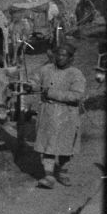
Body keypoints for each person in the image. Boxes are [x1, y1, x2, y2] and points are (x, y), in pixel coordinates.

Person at [34, 40, 88, 188]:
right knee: (48, 145)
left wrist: (51, 93)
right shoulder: (46, 69)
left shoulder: (76, 74)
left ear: (70, 58)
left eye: (64, 55)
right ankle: (49, 176)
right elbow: (35, 81)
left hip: (67, 115)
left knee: (65, 146)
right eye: (58, 54)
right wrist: (29, 85)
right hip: (48, 114)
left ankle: (63, 172)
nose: (60, 58)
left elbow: (77, 96)